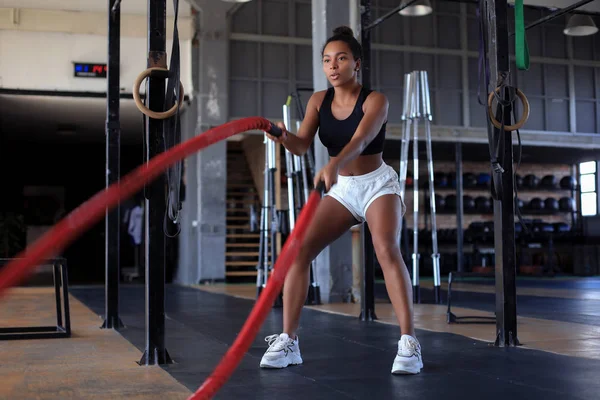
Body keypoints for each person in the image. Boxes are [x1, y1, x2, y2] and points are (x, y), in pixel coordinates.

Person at [259, 25, 423, 375]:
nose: (333, 66)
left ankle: (409, 343)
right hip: (344, 190)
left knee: (385, 249)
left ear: (356, 64)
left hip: (377, 183)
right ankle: (289, 341)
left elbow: (362, 140)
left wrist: (335, 162)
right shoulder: (319, 101)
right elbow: (302, 144)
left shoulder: (376, 99)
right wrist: (279, 134)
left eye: (341, 59)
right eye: (327, 61)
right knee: (298, 250)